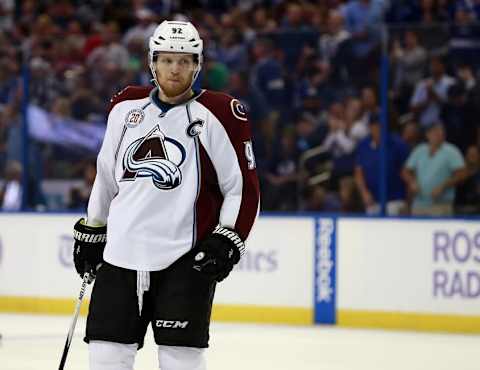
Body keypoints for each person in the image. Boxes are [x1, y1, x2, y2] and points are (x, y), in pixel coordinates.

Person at [72, 20, 260, 370]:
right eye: (168, 59)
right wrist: (94, 227)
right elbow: (106, 177)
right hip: (120, 257)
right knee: (105, 357)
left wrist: (229, 237)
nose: (176, 68)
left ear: (197, 65)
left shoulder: (220, 114)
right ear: (152, 62)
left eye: (185, 60)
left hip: (184, 261)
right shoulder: (125, 107)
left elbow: (242, 189)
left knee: (181, 361)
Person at [401, 121, 466, 216]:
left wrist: (443, 186)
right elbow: (405, 171)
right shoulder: (420, 150)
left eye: (441, 131)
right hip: (419, 204)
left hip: (440, 204)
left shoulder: (451, 151)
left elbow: (462, 174)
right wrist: (412, 182)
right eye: (435, 131)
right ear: (428, 134)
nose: (439, 134)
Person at [354, 112, 409, 215]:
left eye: (381, 126)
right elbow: (358, 172)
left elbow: (406, 171)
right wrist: (364, 193)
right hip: (372, 202)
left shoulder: (397, 144)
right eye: (375, 126)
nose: (378, 129)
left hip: (395, 200)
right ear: (370, 127)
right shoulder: (363, 145)